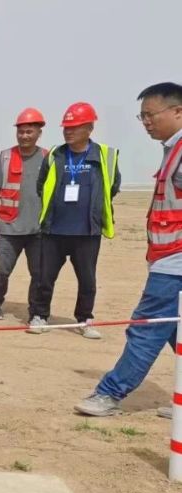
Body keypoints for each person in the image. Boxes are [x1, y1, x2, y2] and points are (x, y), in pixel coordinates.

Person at [76, 83, 182, 417]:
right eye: (142, 117)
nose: (146, 122)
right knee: (175, 331)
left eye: (151, 115)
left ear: (178, 111)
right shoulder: (173, 149)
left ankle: (109, 393)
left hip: (175, 262)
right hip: (166, 258)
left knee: (146, 328)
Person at [28, 102, 121, 339]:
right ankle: (39, 316)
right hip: (54, 230)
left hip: (87, 232)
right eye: (66, 128)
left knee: (87, 281)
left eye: (74, 127)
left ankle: (84, 319)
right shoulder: (55, 155)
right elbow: (41, 186)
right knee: (44, 278)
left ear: (89, 128)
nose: (68, 132)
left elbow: (113, 186)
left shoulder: (105, 155)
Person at [0, 108, 48, 320]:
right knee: (2, 270)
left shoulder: (48, 158)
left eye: (29, 131)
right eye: (21, 131)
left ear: (39, 133)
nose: (24, 136)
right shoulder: (4, 158)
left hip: (38, 230)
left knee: (39, 274)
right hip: (8, 228)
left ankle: (36, 312)